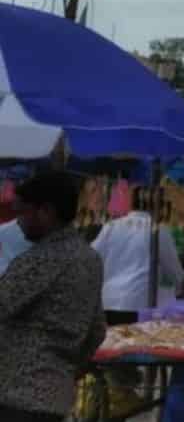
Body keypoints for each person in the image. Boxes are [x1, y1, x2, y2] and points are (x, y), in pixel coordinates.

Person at [0, 172, 106, 422]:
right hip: (55, 397)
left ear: (46, 211)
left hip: (17, 395)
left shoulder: (41, 259)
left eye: (23, 212)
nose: (19, 222)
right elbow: (97, 330)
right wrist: (66, 369)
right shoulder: (90, 258)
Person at [90, 190, 184, 322]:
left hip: (109, 300)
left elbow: (91, 257)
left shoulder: (111, 226)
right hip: (139, 302)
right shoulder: (159, 230)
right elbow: (173, 268)